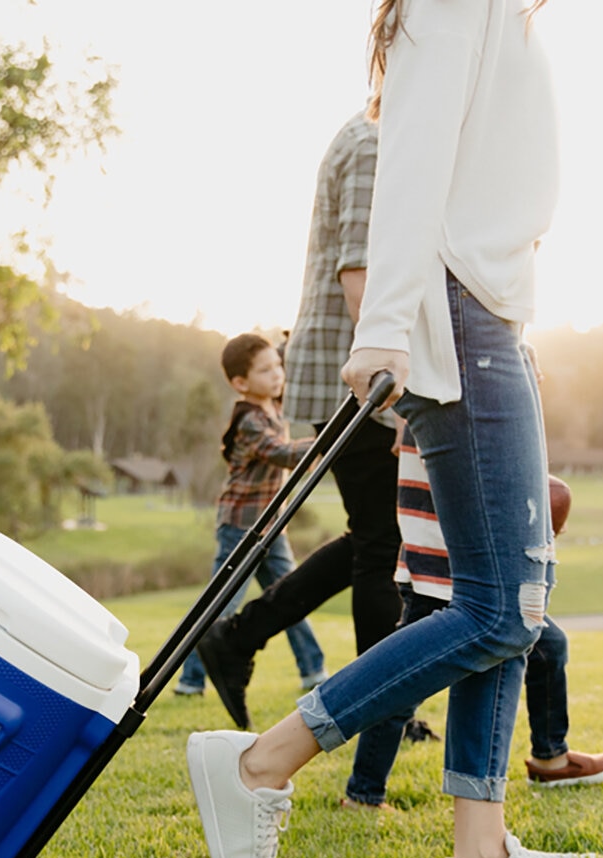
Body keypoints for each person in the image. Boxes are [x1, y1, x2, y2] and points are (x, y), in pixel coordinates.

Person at [186, 0, 598, 858]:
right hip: (457, 311)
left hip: (493, 310)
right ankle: (260, 764)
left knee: (510, 599)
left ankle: (480, 851)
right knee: (496, 609)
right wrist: (384, 328)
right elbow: (409, 160)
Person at [195, 107, 404, 730]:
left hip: (355, 367)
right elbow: (359, 275)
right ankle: (377, 715)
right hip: (361, 371)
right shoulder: (372, 143)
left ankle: (240, 636)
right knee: (381, 544)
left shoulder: (369, 138)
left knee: (373, 536)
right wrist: (397, 385)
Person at [339, 423, 603, 810]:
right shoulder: (454, 395)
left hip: (466, 564)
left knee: (548, 647)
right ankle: (363, 793)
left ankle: (550, 758)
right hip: (442, 568)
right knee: (402, 686)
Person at [173, 332, 327, 696]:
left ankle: (314, 672)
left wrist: (292, 344)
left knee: (291, 597)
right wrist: (330, 438)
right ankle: (190, 680)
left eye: (278, 366)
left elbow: (292, 361)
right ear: (241, 383)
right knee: (221, 604)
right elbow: (285, 453)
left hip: (272, 529)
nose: (277, 375)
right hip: (241, 527)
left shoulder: (274, 405)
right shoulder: (250, 419)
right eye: (266, 370)